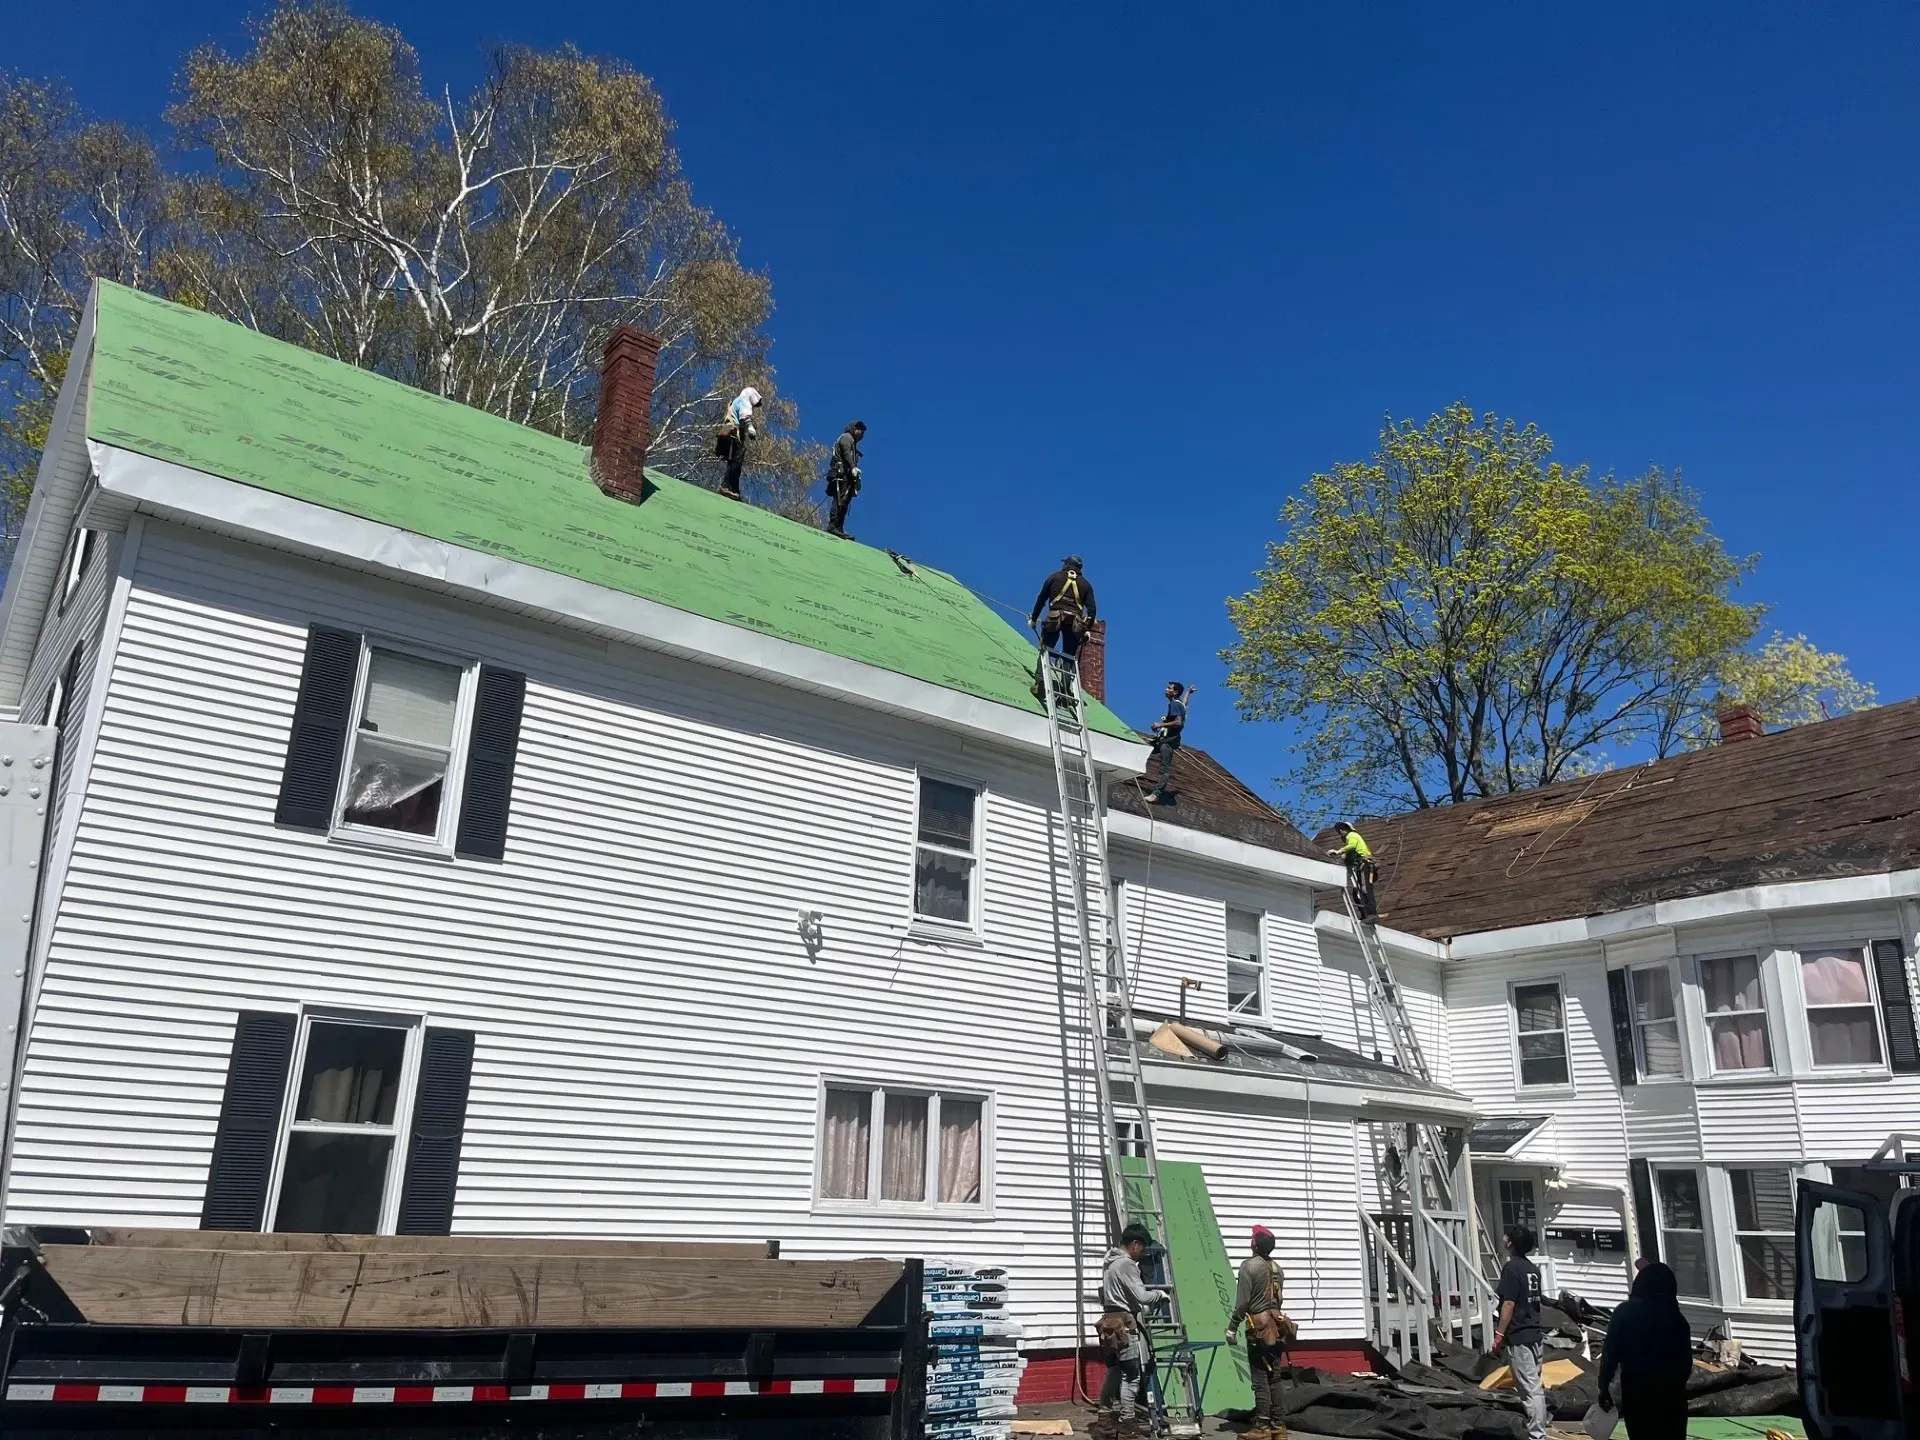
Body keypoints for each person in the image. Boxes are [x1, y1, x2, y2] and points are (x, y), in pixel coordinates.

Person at [1597, 1261, 1692, 1440]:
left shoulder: (1624, 1312)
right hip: (1672, 1392)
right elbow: (1686, 1364)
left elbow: (1610, 1354)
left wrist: (1604, 1387)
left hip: (1638, 1389)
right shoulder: (1677, 1319)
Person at [1094, 1223, 1167, 1440]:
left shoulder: (1109, 1263)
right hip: (1124, 1326)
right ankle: (1127, 1425)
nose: (1142, 1253)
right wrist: (1160, 1295)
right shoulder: (1126, 1264)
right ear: (1134, 1244)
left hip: (1109, 1326)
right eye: (1142, 1248)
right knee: (1131, 1376)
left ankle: (1104, 1421)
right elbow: (1142, 1297)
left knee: (1114, 1372)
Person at [1225, 1225, 1287, 1440]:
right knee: (1275, 1377)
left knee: (1260, 1377)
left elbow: (1242, 1304)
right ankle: (1278, 1426)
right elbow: (1278, 1300)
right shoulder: (1278, 1268)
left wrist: (1232, 1327)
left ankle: (1261, 1428)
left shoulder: (1248, 1267)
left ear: (1254, 1244)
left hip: (1259, 1329)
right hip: (1277, 1328)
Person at [1492, 1223, 1547, 1440]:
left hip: (1521, 1336)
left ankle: (1537, 1435)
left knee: (1530, 1390)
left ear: (1511, 1243)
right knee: (1535, 1385)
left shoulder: (1511, 1268)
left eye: (1507, 1236)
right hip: (1535, 1334)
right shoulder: (1532, 1269)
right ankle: (1539, 1426)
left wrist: (1499, 1335)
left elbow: (1508, 1304)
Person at [1028, 556, 1097, 699]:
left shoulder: (1054, 577)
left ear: (1066, 564)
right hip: (1075, 624)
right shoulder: (1086, 585)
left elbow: (1041, 600)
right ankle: (1065, 690)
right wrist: (1086, 629)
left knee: (1046, 649)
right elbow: (1092, 611)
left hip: (1055, 618)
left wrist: (1033, 619)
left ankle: (1040, 682)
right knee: (1068, 656)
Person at [1146, 682, 1188, 804]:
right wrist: (1188, 693)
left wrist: (1160, 725)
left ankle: (1156, 794)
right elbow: (1184, 704)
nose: (1166, 689)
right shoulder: (1179, 704)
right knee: (1143, 750)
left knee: (1165, 769)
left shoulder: (1174, 704)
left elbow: (1178, 722)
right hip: (1163, 740)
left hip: (1167, 742)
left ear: (1174, 692)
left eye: (1169, 688)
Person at [1327, 821, 1378, 921]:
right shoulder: (1351, 840)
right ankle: (1365, 915)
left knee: (1365, 889)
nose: (1340, 832)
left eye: (1341, 830)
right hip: (1361, 866)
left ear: (1343, 830)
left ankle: (1372, 914)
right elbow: (1351, 855)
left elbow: (1352, 845)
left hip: (1365, 864)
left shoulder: (1352, 835)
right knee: (1356, 893)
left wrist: (1338, 851)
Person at [719, 386, 763, 500]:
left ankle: (734, 489)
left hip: (726, 432)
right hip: (733, 432)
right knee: (736, 461)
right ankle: (725, 486)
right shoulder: (745, 402)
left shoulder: (735, 401)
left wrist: (743, 436)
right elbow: (744, 418)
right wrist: (751, 429)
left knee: (733, 460)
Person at [824, 420, 866, 538]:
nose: (862, 435)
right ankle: (833, 525)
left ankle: (839, 527)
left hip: (847, 476)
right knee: (840, 499)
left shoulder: (853, 442)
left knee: (845, 500)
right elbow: (846, 453)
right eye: (860, 431)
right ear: (855, 429)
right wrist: (853, 467)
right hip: (841, 473)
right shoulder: (847, 438)